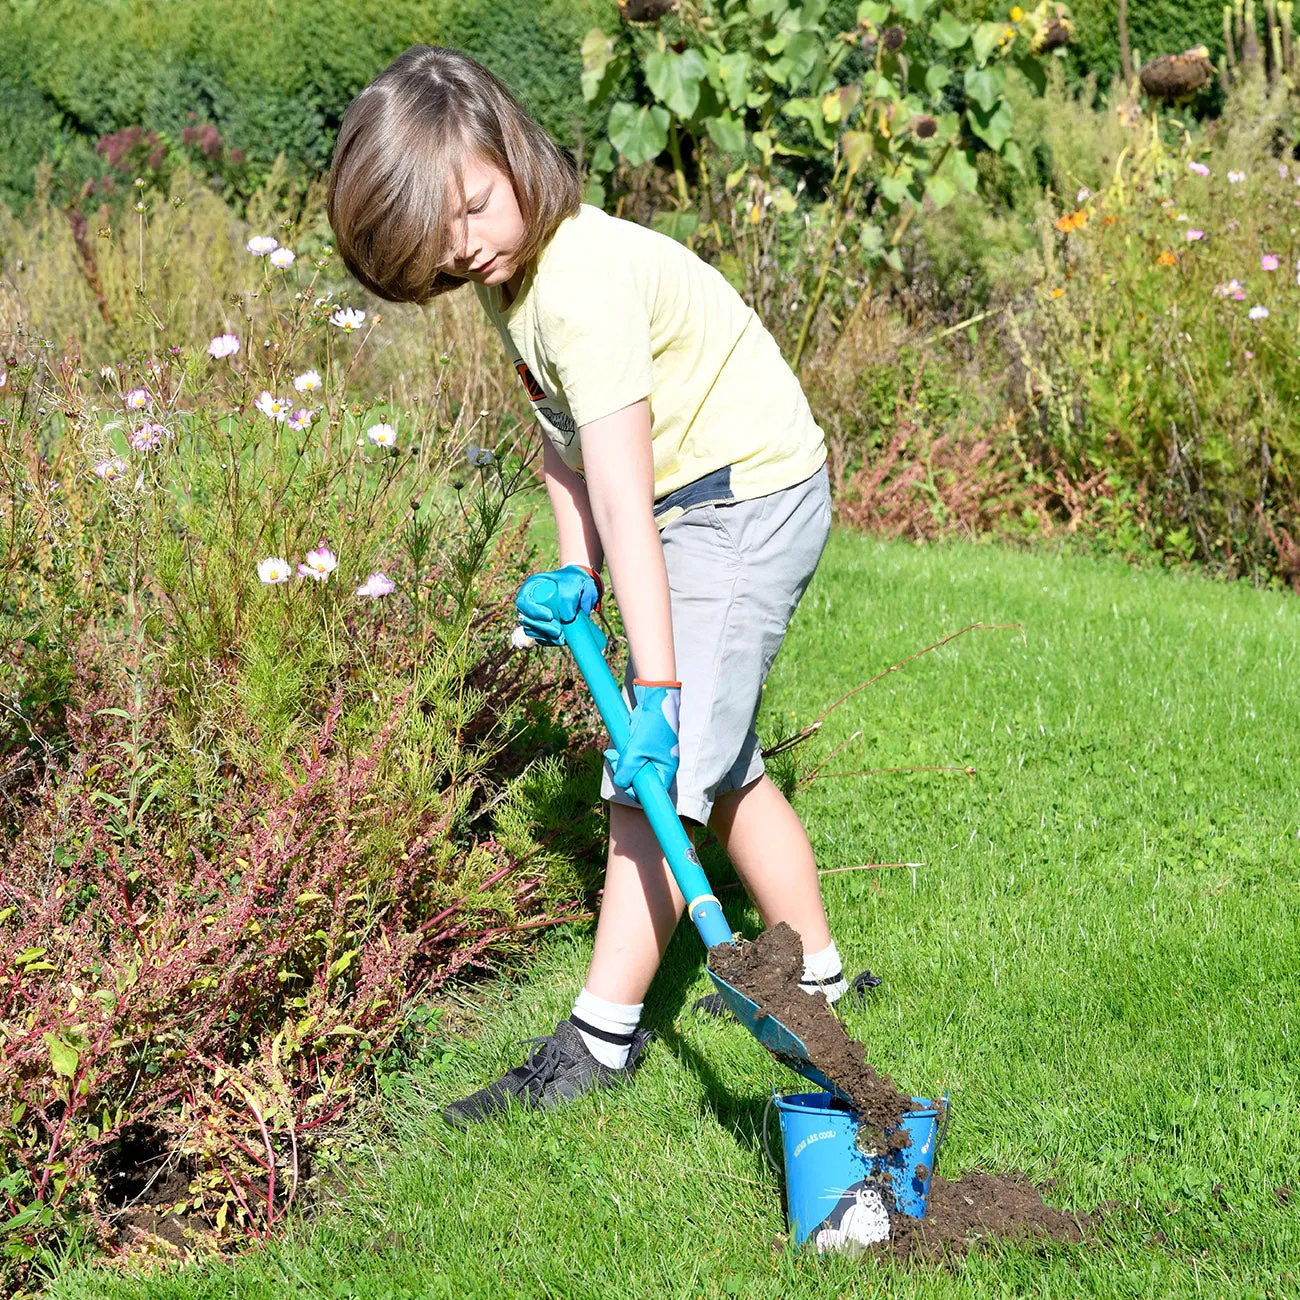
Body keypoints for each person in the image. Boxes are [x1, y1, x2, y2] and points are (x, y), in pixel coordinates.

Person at [327, 46, 878, 1126]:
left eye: (474, 210)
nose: (466, 252)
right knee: (719, 765)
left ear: (506, 143)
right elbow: (564, 444)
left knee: (656, 776)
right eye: (439, 249)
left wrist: (659, 693)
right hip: (689, 495)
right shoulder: (514, 278)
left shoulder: (575, 283)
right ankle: (819, 977)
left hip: (743, 493)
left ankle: (599, 1038)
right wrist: (572, 570)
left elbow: (629, 494)